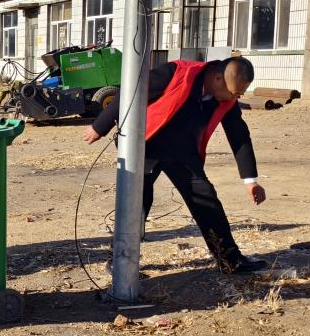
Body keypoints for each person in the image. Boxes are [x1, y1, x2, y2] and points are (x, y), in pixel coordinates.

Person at [83, 56, 268, 274]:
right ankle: (120, 262)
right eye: (235, 92)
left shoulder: (227, 98)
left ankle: (230, 261)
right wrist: (100, 126)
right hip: (145, 145)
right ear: (218, 78)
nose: (236, 98)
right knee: (137, 202)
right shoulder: (176, 73)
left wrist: (250, 180)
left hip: (182, 152)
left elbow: (239, 135)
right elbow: (132, 92)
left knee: (206, 200)